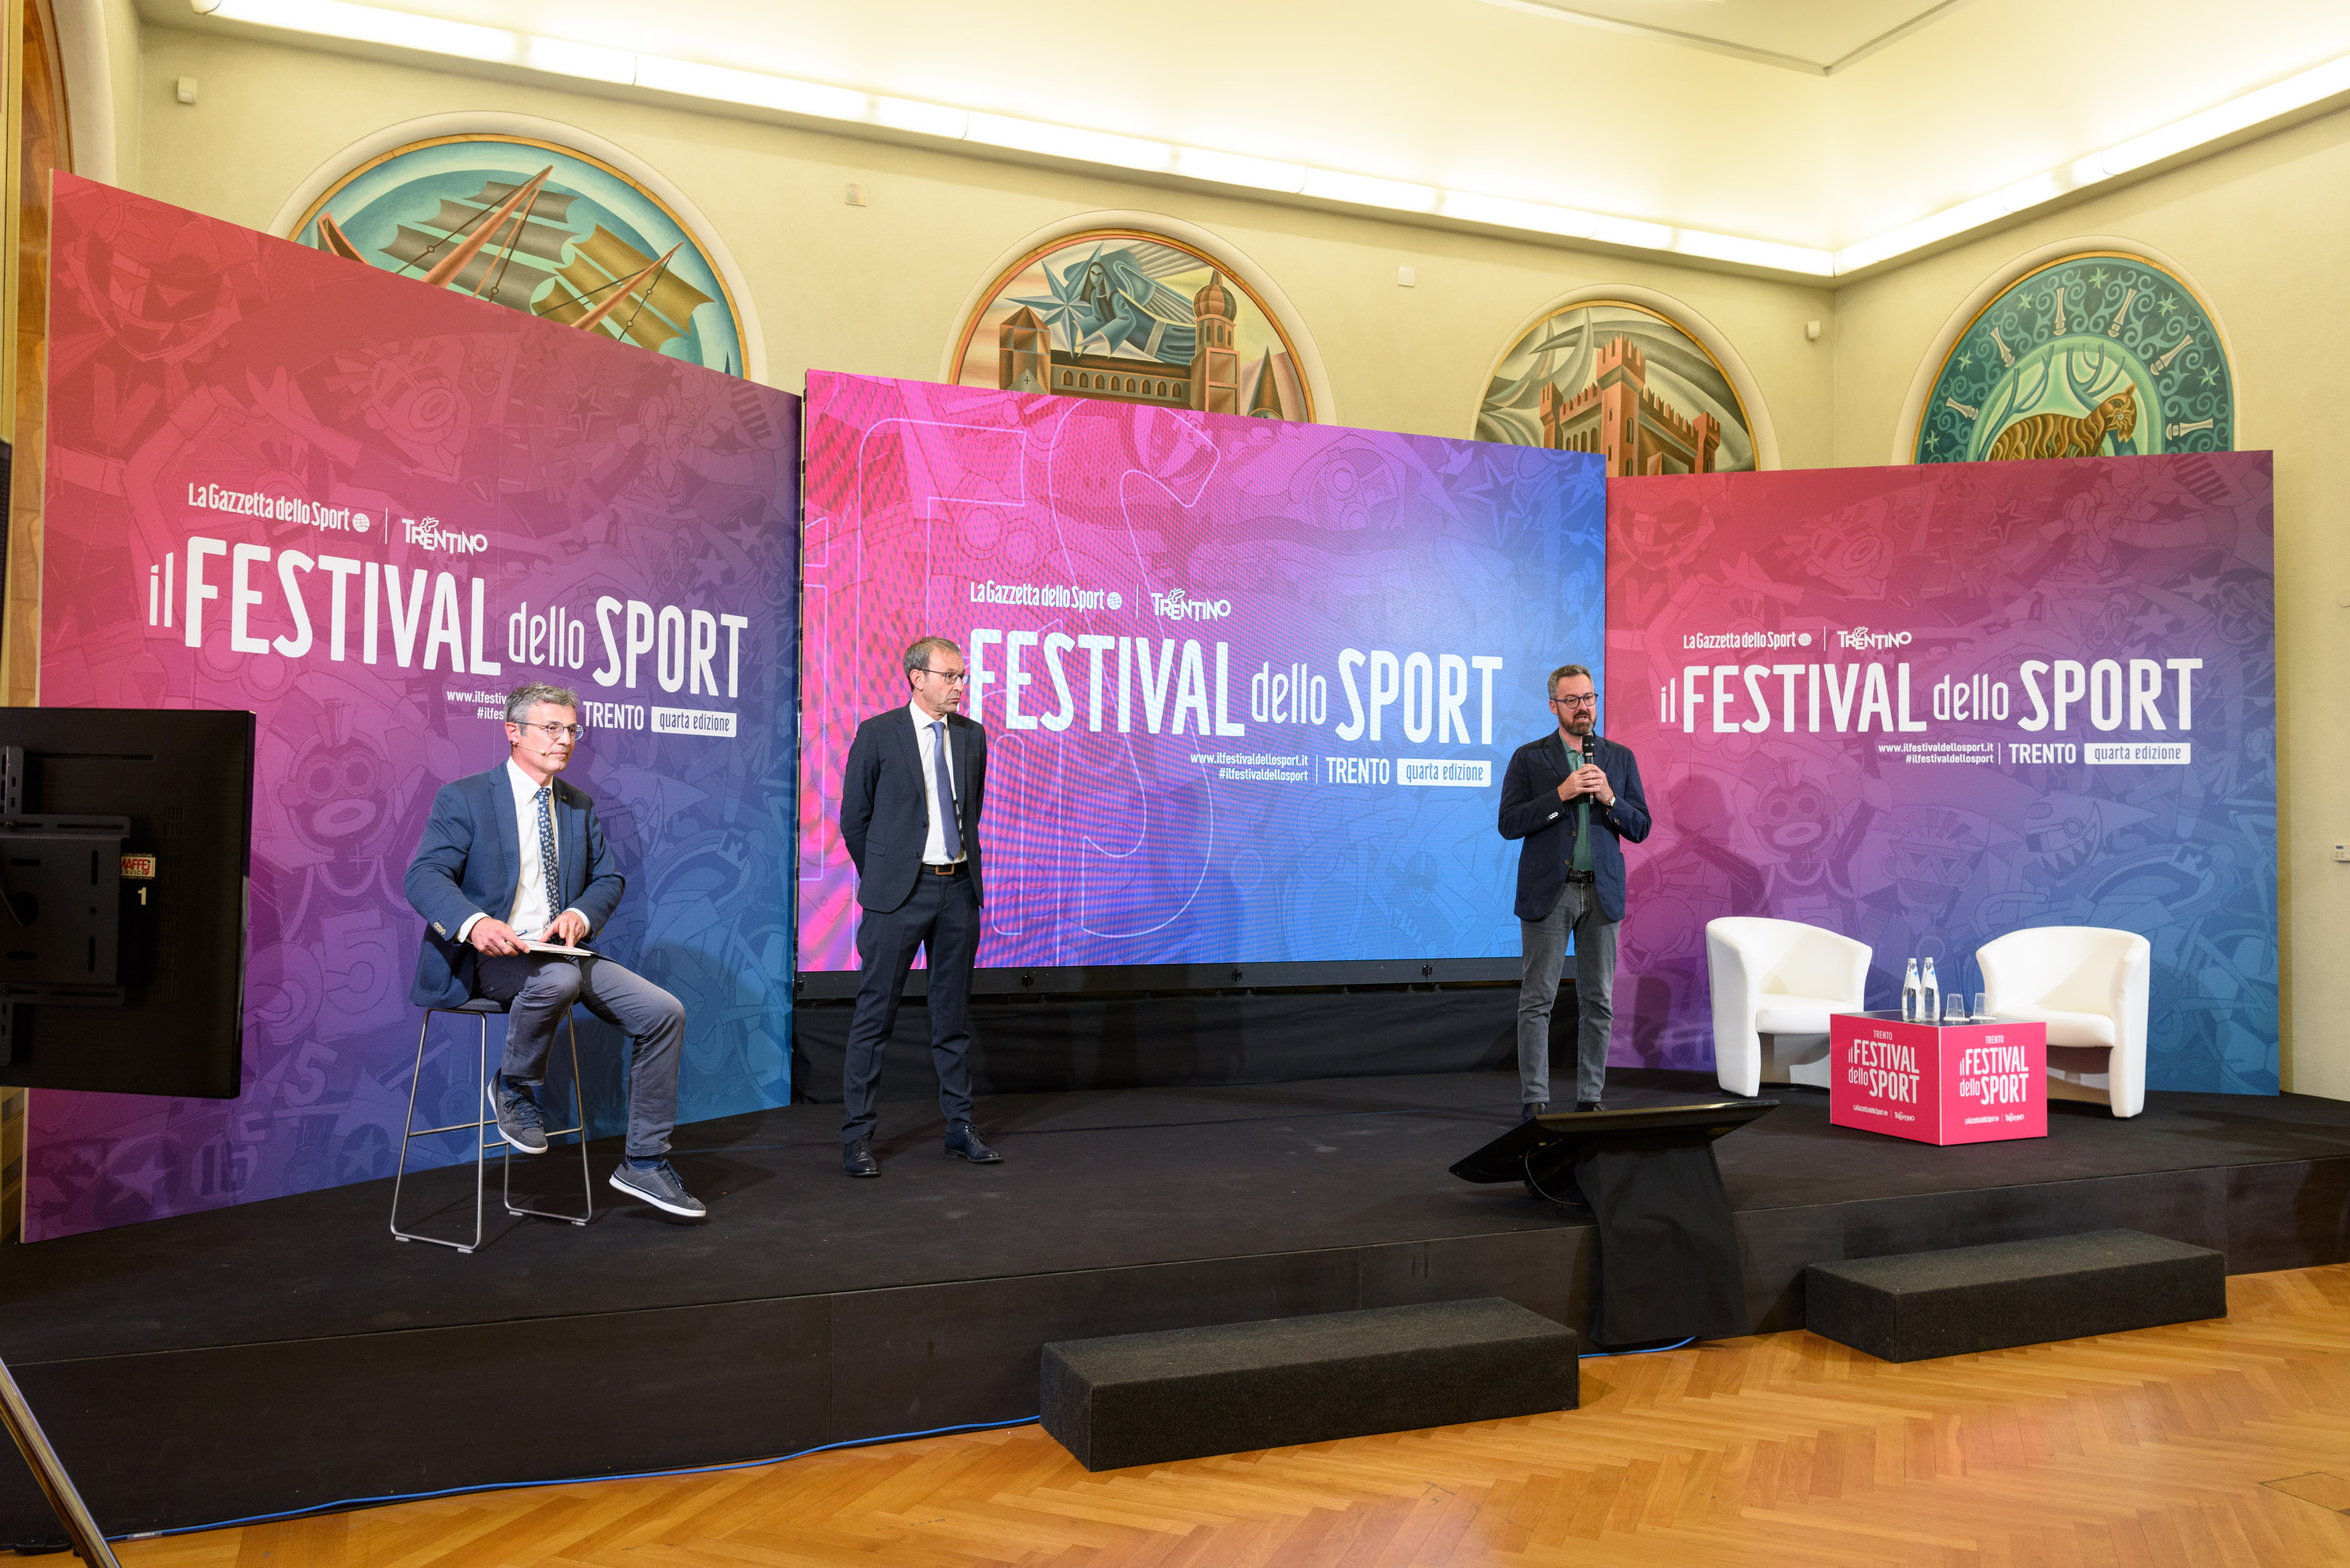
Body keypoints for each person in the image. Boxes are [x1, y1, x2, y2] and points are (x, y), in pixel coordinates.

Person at [404, 682, 703, 1219]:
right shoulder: (465, 798)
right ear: (514, 732)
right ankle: (514, 1087)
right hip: (492, 957)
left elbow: (607, 879)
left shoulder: (576, 804)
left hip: (561, 953)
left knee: (665, 1013)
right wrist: (474, 924)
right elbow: (424, 876)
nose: (564, 740)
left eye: (571, 729)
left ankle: (643, 1161)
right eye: (551, 728)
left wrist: (580, 915)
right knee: (557, 981)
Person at [837, 635, 999, 1177]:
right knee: (874, 1018)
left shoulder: (973, 736)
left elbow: (970, 812)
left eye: (962, 676)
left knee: (951, 1019)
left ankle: (960, 1127)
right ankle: (858, 1137)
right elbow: (854, 820)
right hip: (897, 897)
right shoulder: (878, 733)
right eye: (949, 676)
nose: (959, 686)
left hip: (958, 892)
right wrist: (886, 877)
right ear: (917, 678)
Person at [1498, 663, 1651, 1117]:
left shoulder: (1619, 758)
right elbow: (1509, 823)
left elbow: (1641, 826)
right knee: (1537, 1000)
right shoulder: (1529, 758)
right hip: (1550, 893)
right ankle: (1535, 1100)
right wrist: (1560, 795)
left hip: (1602, 894)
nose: (1583, 707)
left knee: (1598, 1001)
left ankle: (1590, 1098)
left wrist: (1610, 799)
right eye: (1572, 701)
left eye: (1589, 698)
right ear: (1554, 706)